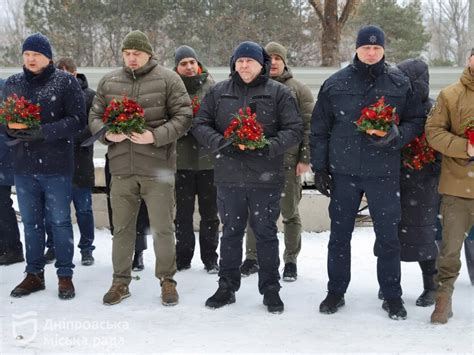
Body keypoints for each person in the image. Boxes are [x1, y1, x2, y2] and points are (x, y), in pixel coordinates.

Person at [310, 25, 424, 320]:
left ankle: (391, 294)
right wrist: (320, 168)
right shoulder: (335, 84)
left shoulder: (399, 83)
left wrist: (397, 134)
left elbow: (416, 120)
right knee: (339, 236)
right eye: (366, 48)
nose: (371, 52)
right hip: (344, 173)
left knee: (388, 237)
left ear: (383, 49)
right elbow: (320, 129)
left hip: (384, 172)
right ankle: (336, 291)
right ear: (357, 49)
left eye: (376, 48)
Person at [192, 41, 303, 313]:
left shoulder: (278, 92)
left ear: (261, 64)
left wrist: (269, 146)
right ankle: (227, 286)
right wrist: (222, 142)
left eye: (250, 61)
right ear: (233, 63)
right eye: (239, 61)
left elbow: (294, 128)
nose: (244, 66)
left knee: (265, 233)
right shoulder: (219, 92)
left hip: (265, 176)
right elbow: (200, 124)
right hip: (229, 176)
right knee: (230, 233)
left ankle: (270, 288)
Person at [89, 30, 192, 306]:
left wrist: (155, 136)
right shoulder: (110, 81)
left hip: (157, 168)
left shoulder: (169, 79)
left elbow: (184, 116)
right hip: (122, 168)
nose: (131, 58)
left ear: (148, 53)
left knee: (162, 228)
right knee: (122, 229)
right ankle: (120, 281)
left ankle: (167, 281)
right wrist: (107, 134)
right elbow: (95, 115)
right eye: (127, 53)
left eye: (136, 53)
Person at [5, 33, 86, 299]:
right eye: (26, 54)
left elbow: (77, 120)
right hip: (24, 166)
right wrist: (10, 130)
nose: (30, 59)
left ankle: (65, 275)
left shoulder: (64, 83)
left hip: (57, 167)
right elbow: (4, 118)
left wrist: (44, 131)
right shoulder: (13, 83)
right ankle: (34, 274)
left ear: (48, 57)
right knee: (30, 223)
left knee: (60, 222)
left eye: (36, 55)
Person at [241, 41, 314, 281]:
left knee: (290, 214)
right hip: (257, 164)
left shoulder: (299, 89)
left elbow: (308, 126)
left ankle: (290, 261)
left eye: (277, 58)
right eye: (268, 58)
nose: (273, 62)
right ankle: (252, 257)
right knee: (256, 213)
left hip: (288, 164)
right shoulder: (252, 86)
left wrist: (304, 158)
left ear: (284, 61)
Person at [425, 48, 474, 324]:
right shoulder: (450, 95)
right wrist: (464, 147)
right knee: (450, 249)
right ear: (470, 59)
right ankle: (443, 299)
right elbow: (433, 132)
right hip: (458, 187)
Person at [394, 58, 440, 307]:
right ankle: (390, 284)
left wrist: (434, 168)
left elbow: (441, 141)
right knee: (390, 236)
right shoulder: (394, 110)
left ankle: (431, 286)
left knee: (424, 235)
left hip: (424, 182)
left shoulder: (433, 110)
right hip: (395, 180)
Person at [43, 57, 96, 266]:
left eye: (69, 74)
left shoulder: (90, 96)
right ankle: (54, 246)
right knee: (53, 211)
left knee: (83, 209)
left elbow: (92, 126)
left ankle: (86, 248)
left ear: (75, 73)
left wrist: (65, 134)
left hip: (80, 162)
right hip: (54, 164)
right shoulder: (50, 96)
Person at [173, 45, 219, 273]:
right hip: (180, 162)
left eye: (192, 62)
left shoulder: (212, 87)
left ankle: (210, 258)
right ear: (177, 67)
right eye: (184, 63)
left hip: (208, 162)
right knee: (182, 214)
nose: (189, 67)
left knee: (210, 214)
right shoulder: (170, 87)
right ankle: (182, 257)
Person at [104, 154, 149, 272]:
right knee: (118, 209)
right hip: (117, 158)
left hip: (142, 157)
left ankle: (138, 252)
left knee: (140, 209)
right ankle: (122, 256)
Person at [0, 77, 24, 266]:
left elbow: (12, 125)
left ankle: (13, 249)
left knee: (2, 205)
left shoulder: (5, 88)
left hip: (3, 156)